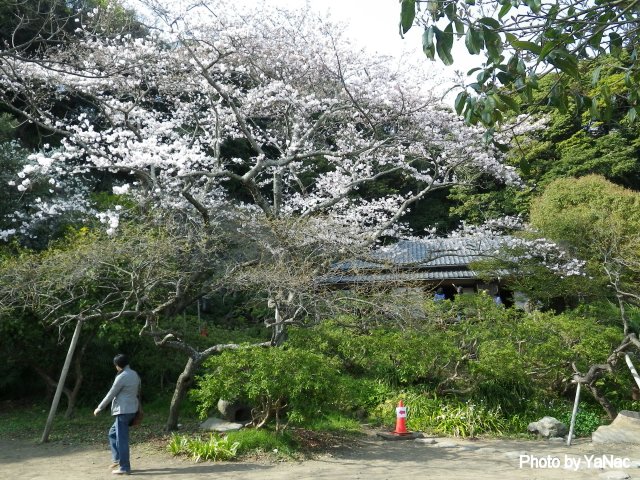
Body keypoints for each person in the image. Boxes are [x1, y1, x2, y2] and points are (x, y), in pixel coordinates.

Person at [94, 354, 141, 475]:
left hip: (123, 411)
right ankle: (117, 459)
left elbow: (111, 393)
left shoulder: (122, 376)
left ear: (118, 365)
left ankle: (124, 467)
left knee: (122, 440)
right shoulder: (134, 374)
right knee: (112, 433)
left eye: (115, 365)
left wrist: (99, 407)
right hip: (132, 410)